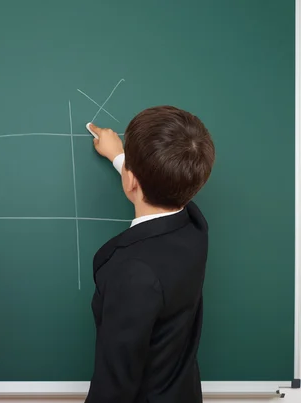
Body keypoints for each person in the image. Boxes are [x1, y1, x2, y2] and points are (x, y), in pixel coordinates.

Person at [84, 105, 215, 403]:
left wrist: (126, 162)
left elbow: (114, 384)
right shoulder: (195, 229)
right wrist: (121, 160)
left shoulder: (133, 270)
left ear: (131, 181)